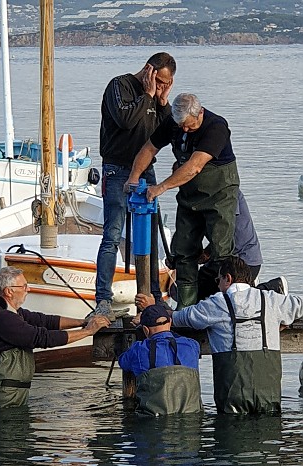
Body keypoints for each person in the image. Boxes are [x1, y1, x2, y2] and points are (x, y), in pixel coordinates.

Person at [135, 256, 303, 414]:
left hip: (233, 396)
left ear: (227, 278)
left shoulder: (216, 304)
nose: (218, 286)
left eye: (218, 280)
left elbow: (178, 318)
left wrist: (152, 307)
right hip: (269, 393)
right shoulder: (272, 299)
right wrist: (285, 321)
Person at [126, 93, 240, 309]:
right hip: (189, 197)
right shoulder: (173, 123)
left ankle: (228, 305)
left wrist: (162, 187)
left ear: (201, 113)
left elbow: (194, 166)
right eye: (182, 127)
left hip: (219, 195)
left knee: (220, 248)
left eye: (190, 126)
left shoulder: (216, 127)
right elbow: (149, 148)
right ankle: (186, 307)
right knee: (184, 251)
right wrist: (134, 177)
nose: (185, 130)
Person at [94, 52, 176, 319]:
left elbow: (165, 134)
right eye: (160, 81)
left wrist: (163, 103)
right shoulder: (120, 85)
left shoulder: (156, 97)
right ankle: (103, 299)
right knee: (112, 234)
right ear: (149, 70)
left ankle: (153, 292)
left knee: (151, 236)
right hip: (117, 169)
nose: (162, 87)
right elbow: (126, 120)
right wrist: (149, 95)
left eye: (167, 84)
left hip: (146, 170)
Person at [0, 266, 110, 408]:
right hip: (2, 397)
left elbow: (44, 321)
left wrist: (83, 322)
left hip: (11, 392)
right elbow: (42, 338)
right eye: (24, 286)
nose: (28, 290)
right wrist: (88, 332)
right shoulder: (1, 318)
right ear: (9, 291)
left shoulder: (6, 309)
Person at [118, 303, 202, 416]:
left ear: (145, 330)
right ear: (170, 322)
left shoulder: (138, 349)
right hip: (191, 419)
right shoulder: (192, 345)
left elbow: (123, 362)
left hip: (153, 422)